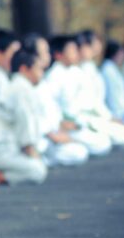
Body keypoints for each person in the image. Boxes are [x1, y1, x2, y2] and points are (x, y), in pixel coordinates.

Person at [0, 48, 48, 185]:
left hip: (1, 146)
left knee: (40, 161)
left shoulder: (19, 85)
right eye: (39, 69)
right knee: (37, 170)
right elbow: (25, 121)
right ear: (25, 69)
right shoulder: (21, 88)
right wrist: (30, 150)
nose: (41, 74)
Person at [22, 34, 90, 167]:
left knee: (81, 149)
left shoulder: (42, 80)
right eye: (45, 52)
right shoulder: (29, 83)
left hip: (56, 130)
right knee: (79, 152)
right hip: (42, 138)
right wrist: (52, 134)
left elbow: (52, 110)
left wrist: (61, 126)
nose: (49, 55)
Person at [46, 35, 116, 155]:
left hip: (80, 121)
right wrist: (60, 123)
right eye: (71, 51)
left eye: (75, 50)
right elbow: (51, 106)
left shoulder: (75, 71)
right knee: (99, 145)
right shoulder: (53, 76)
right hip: (65, 124)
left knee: (105, 141)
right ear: (59, 55)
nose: (76, 53)